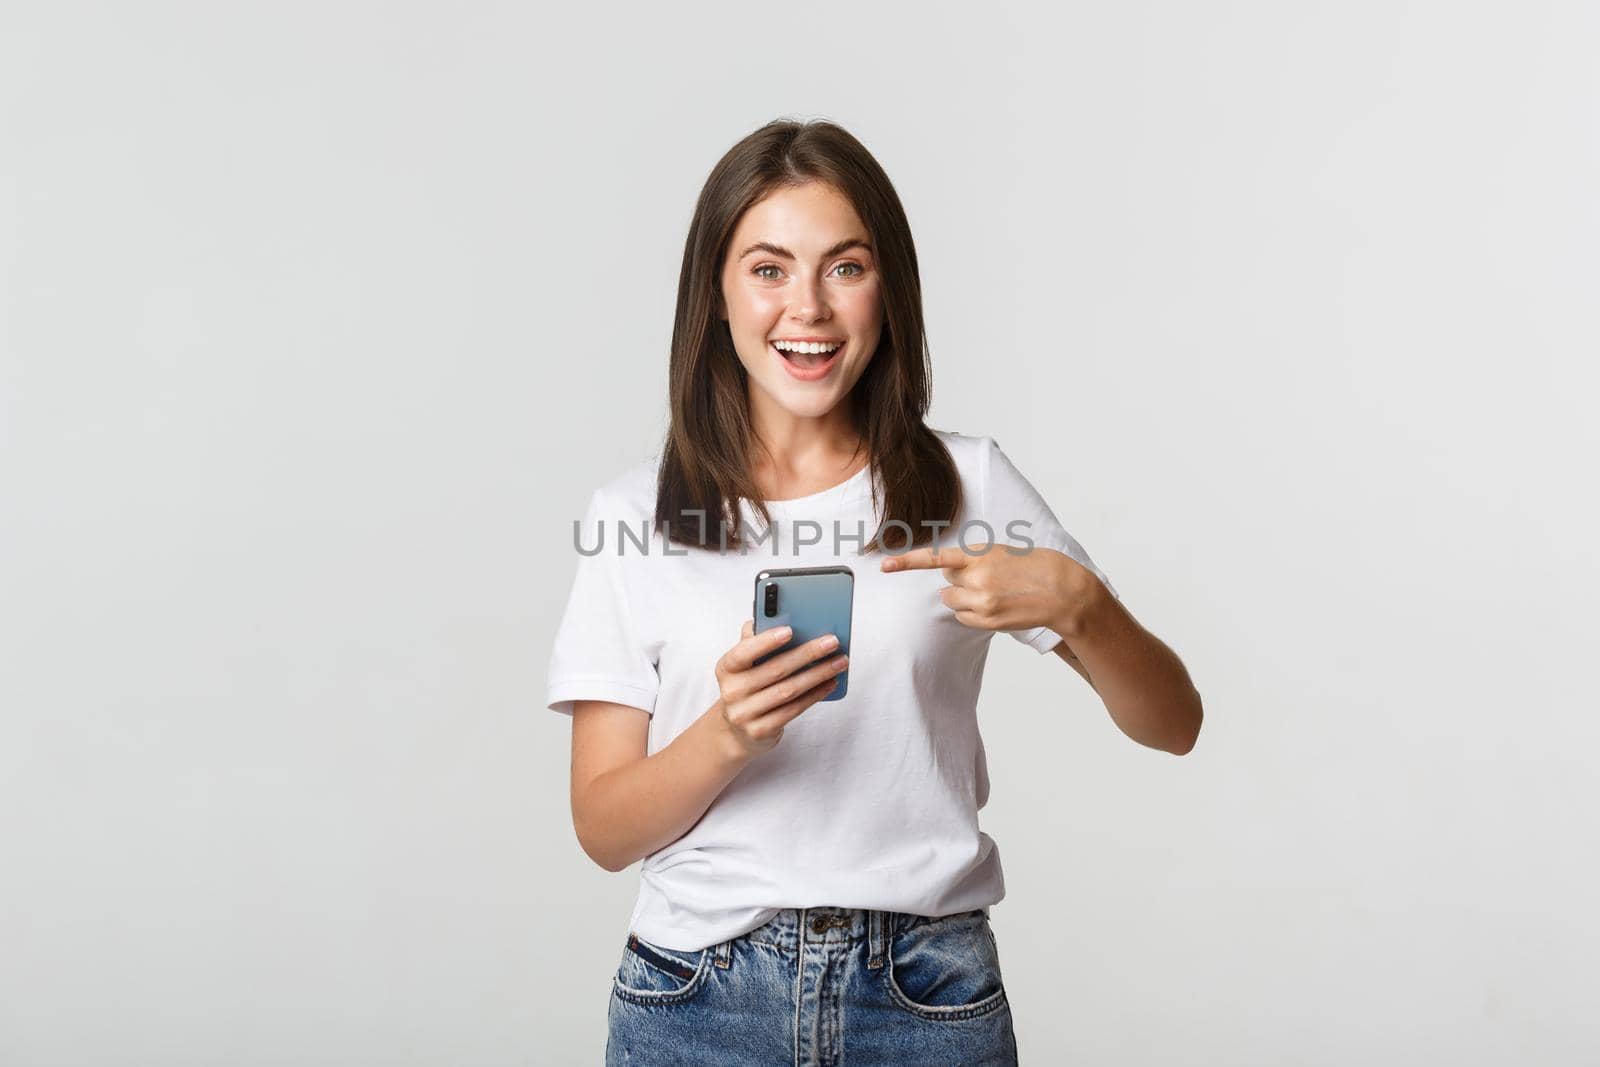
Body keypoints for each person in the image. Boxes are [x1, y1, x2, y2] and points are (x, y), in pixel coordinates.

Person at [546, 118, 1203, 1066]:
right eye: (768, 269)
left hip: (927, 993)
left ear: (888, 290)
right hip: (699, 1001)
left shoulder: (968, 486)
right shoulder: (634, 516)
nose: (806, 307)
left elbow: (1173, 722)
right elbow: (603, 830)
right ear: (717, 295)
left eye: (844, 267)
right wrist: (728, 732)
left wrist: (1082, 608)